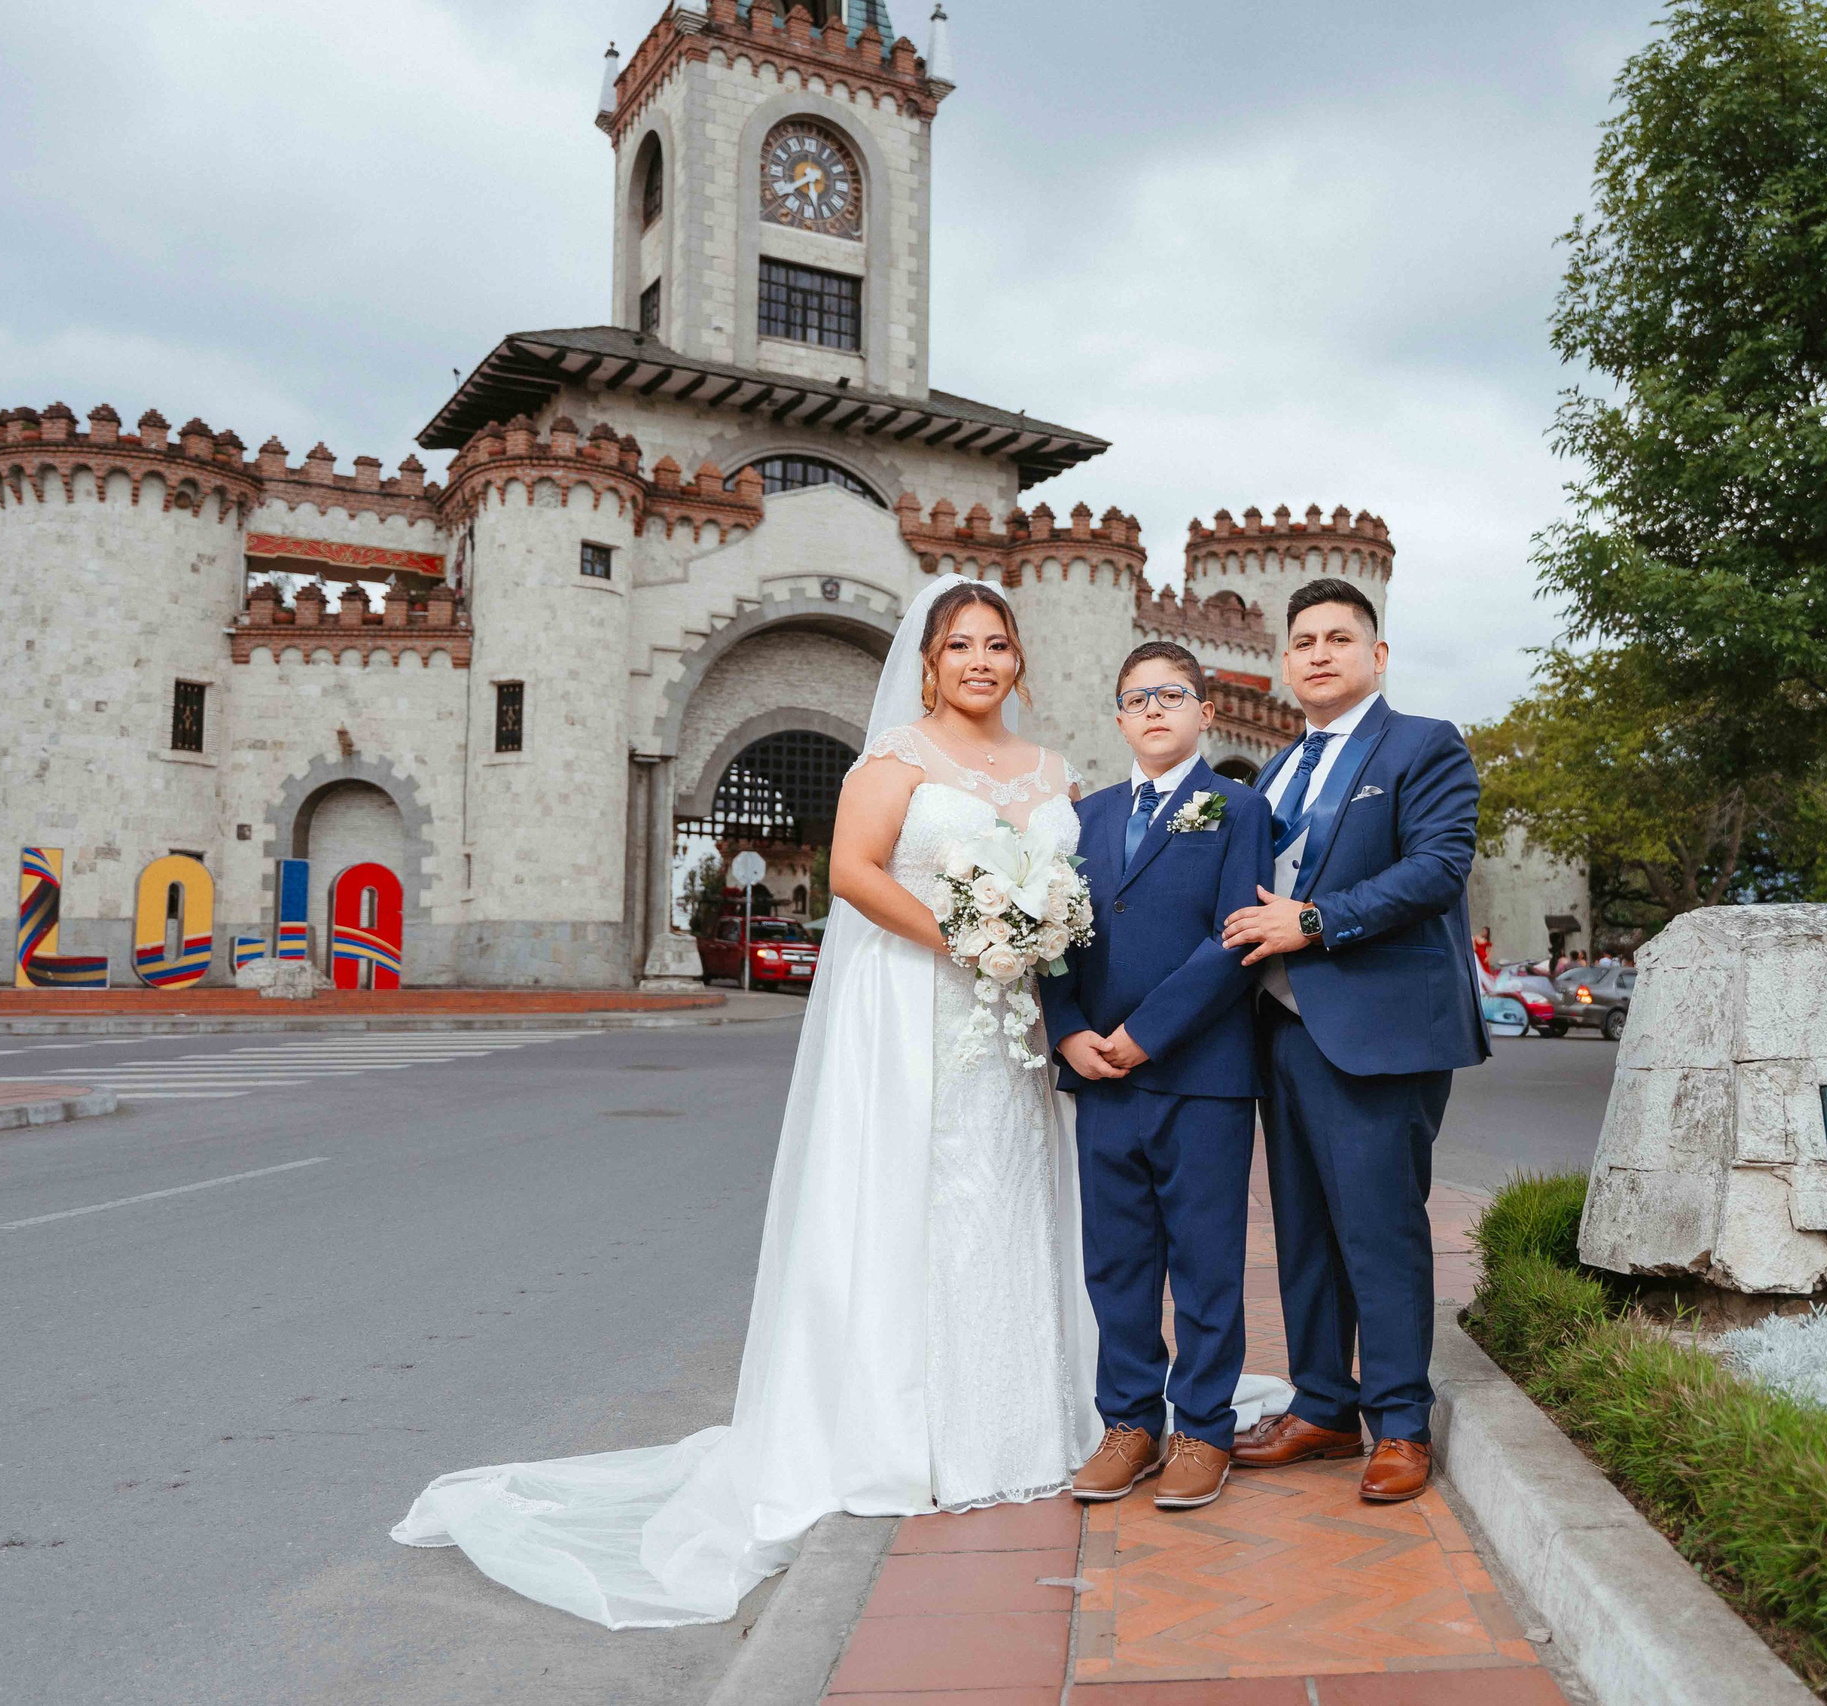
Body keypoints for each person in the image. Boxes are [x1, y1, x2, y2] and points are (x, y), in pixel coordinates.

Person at [391, 578, 1284, 1629]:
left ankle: (1044, 1420)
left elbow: (1088, 917)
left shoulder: (1061, 778)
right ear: (929, 662)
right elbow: (855, 873)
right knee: (916, 1202)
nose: (982, 661)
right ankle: (910, 1429)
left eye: (998, 644)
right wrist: (971, 939)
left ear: (1021, 661)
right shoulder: (894, 757)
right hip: (919, 1006)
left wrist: (1046, 983)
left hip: (1016, 1026)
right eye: (961, 645)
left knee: (1017, 1205)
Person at [1221, 578, 1488, 1504]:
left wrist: (1316, 922)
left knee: (1379, 1230)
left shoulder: (1423, 743)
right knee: (1302, 1232)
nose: (1320, 653)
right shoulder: (1272, 773)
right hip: (1280, 1028)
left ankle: (1400, 1423)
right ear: (1284, 664)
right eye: (1304, 641)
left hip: (1380, 1031)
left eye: (1339, 638)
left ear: (1376, 656)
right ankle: (1325, 1408)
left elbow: (1438, 867)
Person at [1040, 641, 1273, 1512]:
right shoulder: (1085, 819)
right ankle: (1130, 1424)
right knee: (1117, 1262)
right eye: (1136, 698)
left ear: (1204, 713)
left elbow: (1236, 938)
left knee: (1205, 1262)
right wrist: (1069, 1030)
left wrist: (1145, 1034)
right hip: (1100, 1075)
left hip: (1201, 1075)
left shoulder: (1238, 808)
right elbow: (1051, 935)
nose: (1153, 710)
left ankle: (1203, 1429)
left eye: (1171, 695)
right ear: (1118, 718)